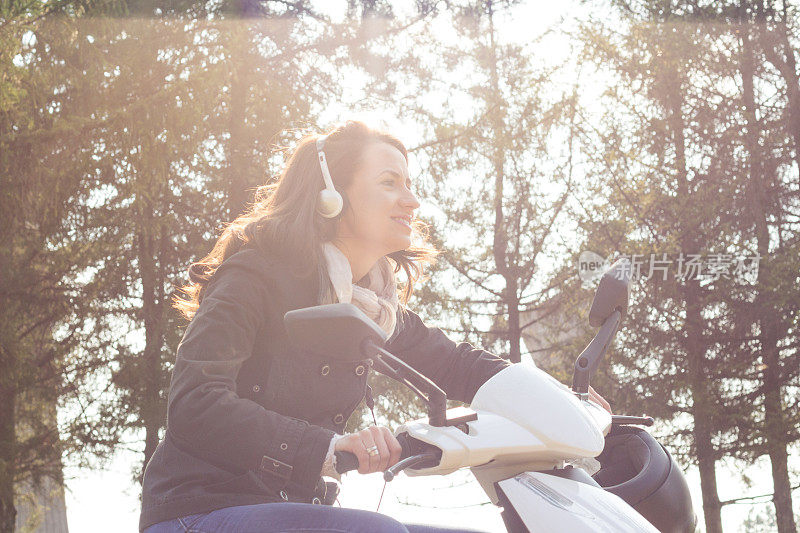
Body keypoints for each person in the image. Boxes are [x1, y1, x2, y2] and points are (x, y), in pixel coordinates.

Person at [139, 120, 611, 533]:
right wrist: (327, 445)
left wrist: (560, 402)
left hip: (291, 514)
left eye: (409, 183)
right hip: (196, 515)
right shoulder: (254, 275)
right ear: (331, 193)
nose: (413, 200)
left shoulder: (374, 307)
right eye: (390, 183)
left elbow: (458, 364)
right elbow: (194, 404)